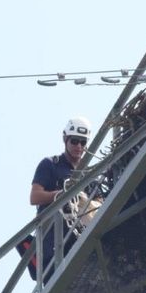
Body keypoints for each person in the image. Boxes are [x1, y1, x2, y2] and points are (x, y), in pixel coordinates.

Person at [29, 116, 94, 283]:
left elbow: (99, 203)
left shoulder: (89, 175)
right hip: (53, 239)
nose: (78, 146)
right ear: (65, 139)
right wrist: (60, 195)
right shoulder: (51, 164)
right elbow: (35, 197)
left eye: (83, 142)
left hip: (78, 240)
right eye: (74, 141)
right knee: (54, 281)